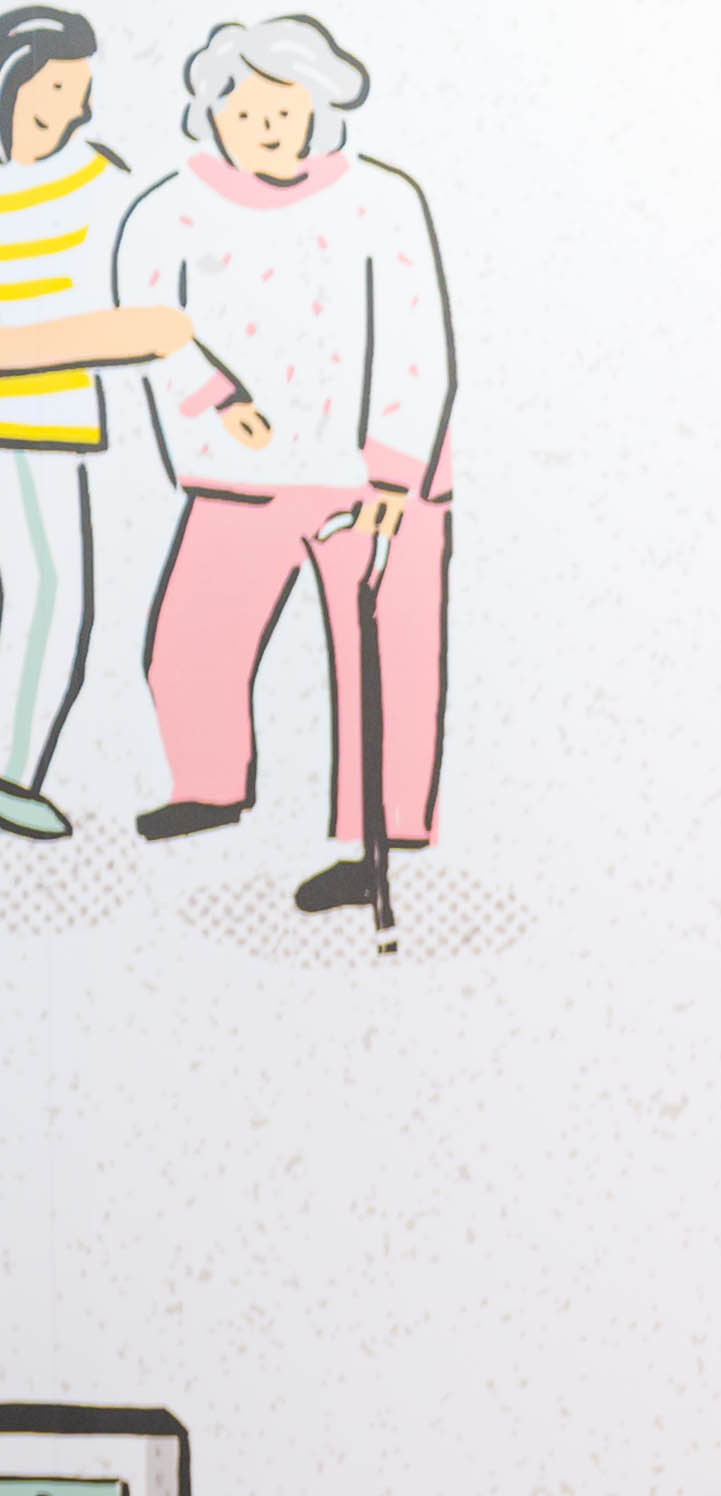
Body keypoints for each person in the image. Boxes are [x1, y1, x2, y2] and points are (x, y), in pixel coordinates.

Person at [111, 16, 451, 895]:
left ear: (318, 114)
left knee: (385, 656)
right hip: (242, 472)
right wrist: (214, 398)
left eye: (286, 111)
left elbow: (416, 341)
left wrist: (394, 471)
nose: (267, 128)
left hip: (374, 475)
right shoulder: (168, 208)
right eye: (247, 111)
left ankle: (377, 842)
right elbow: (147, 324)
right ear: (212, 112)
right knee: (187, 642)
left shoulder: (382, 199)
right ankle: (209, 784)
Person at [0, 9, 211, 843]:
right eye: (56, 88)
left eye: (80, 90)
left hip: (43, 427)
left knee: (52, 595)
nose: (74, 107)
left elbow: (155, 319)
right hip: (36, 418)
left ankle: (13, 772)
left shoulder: (103, 186)